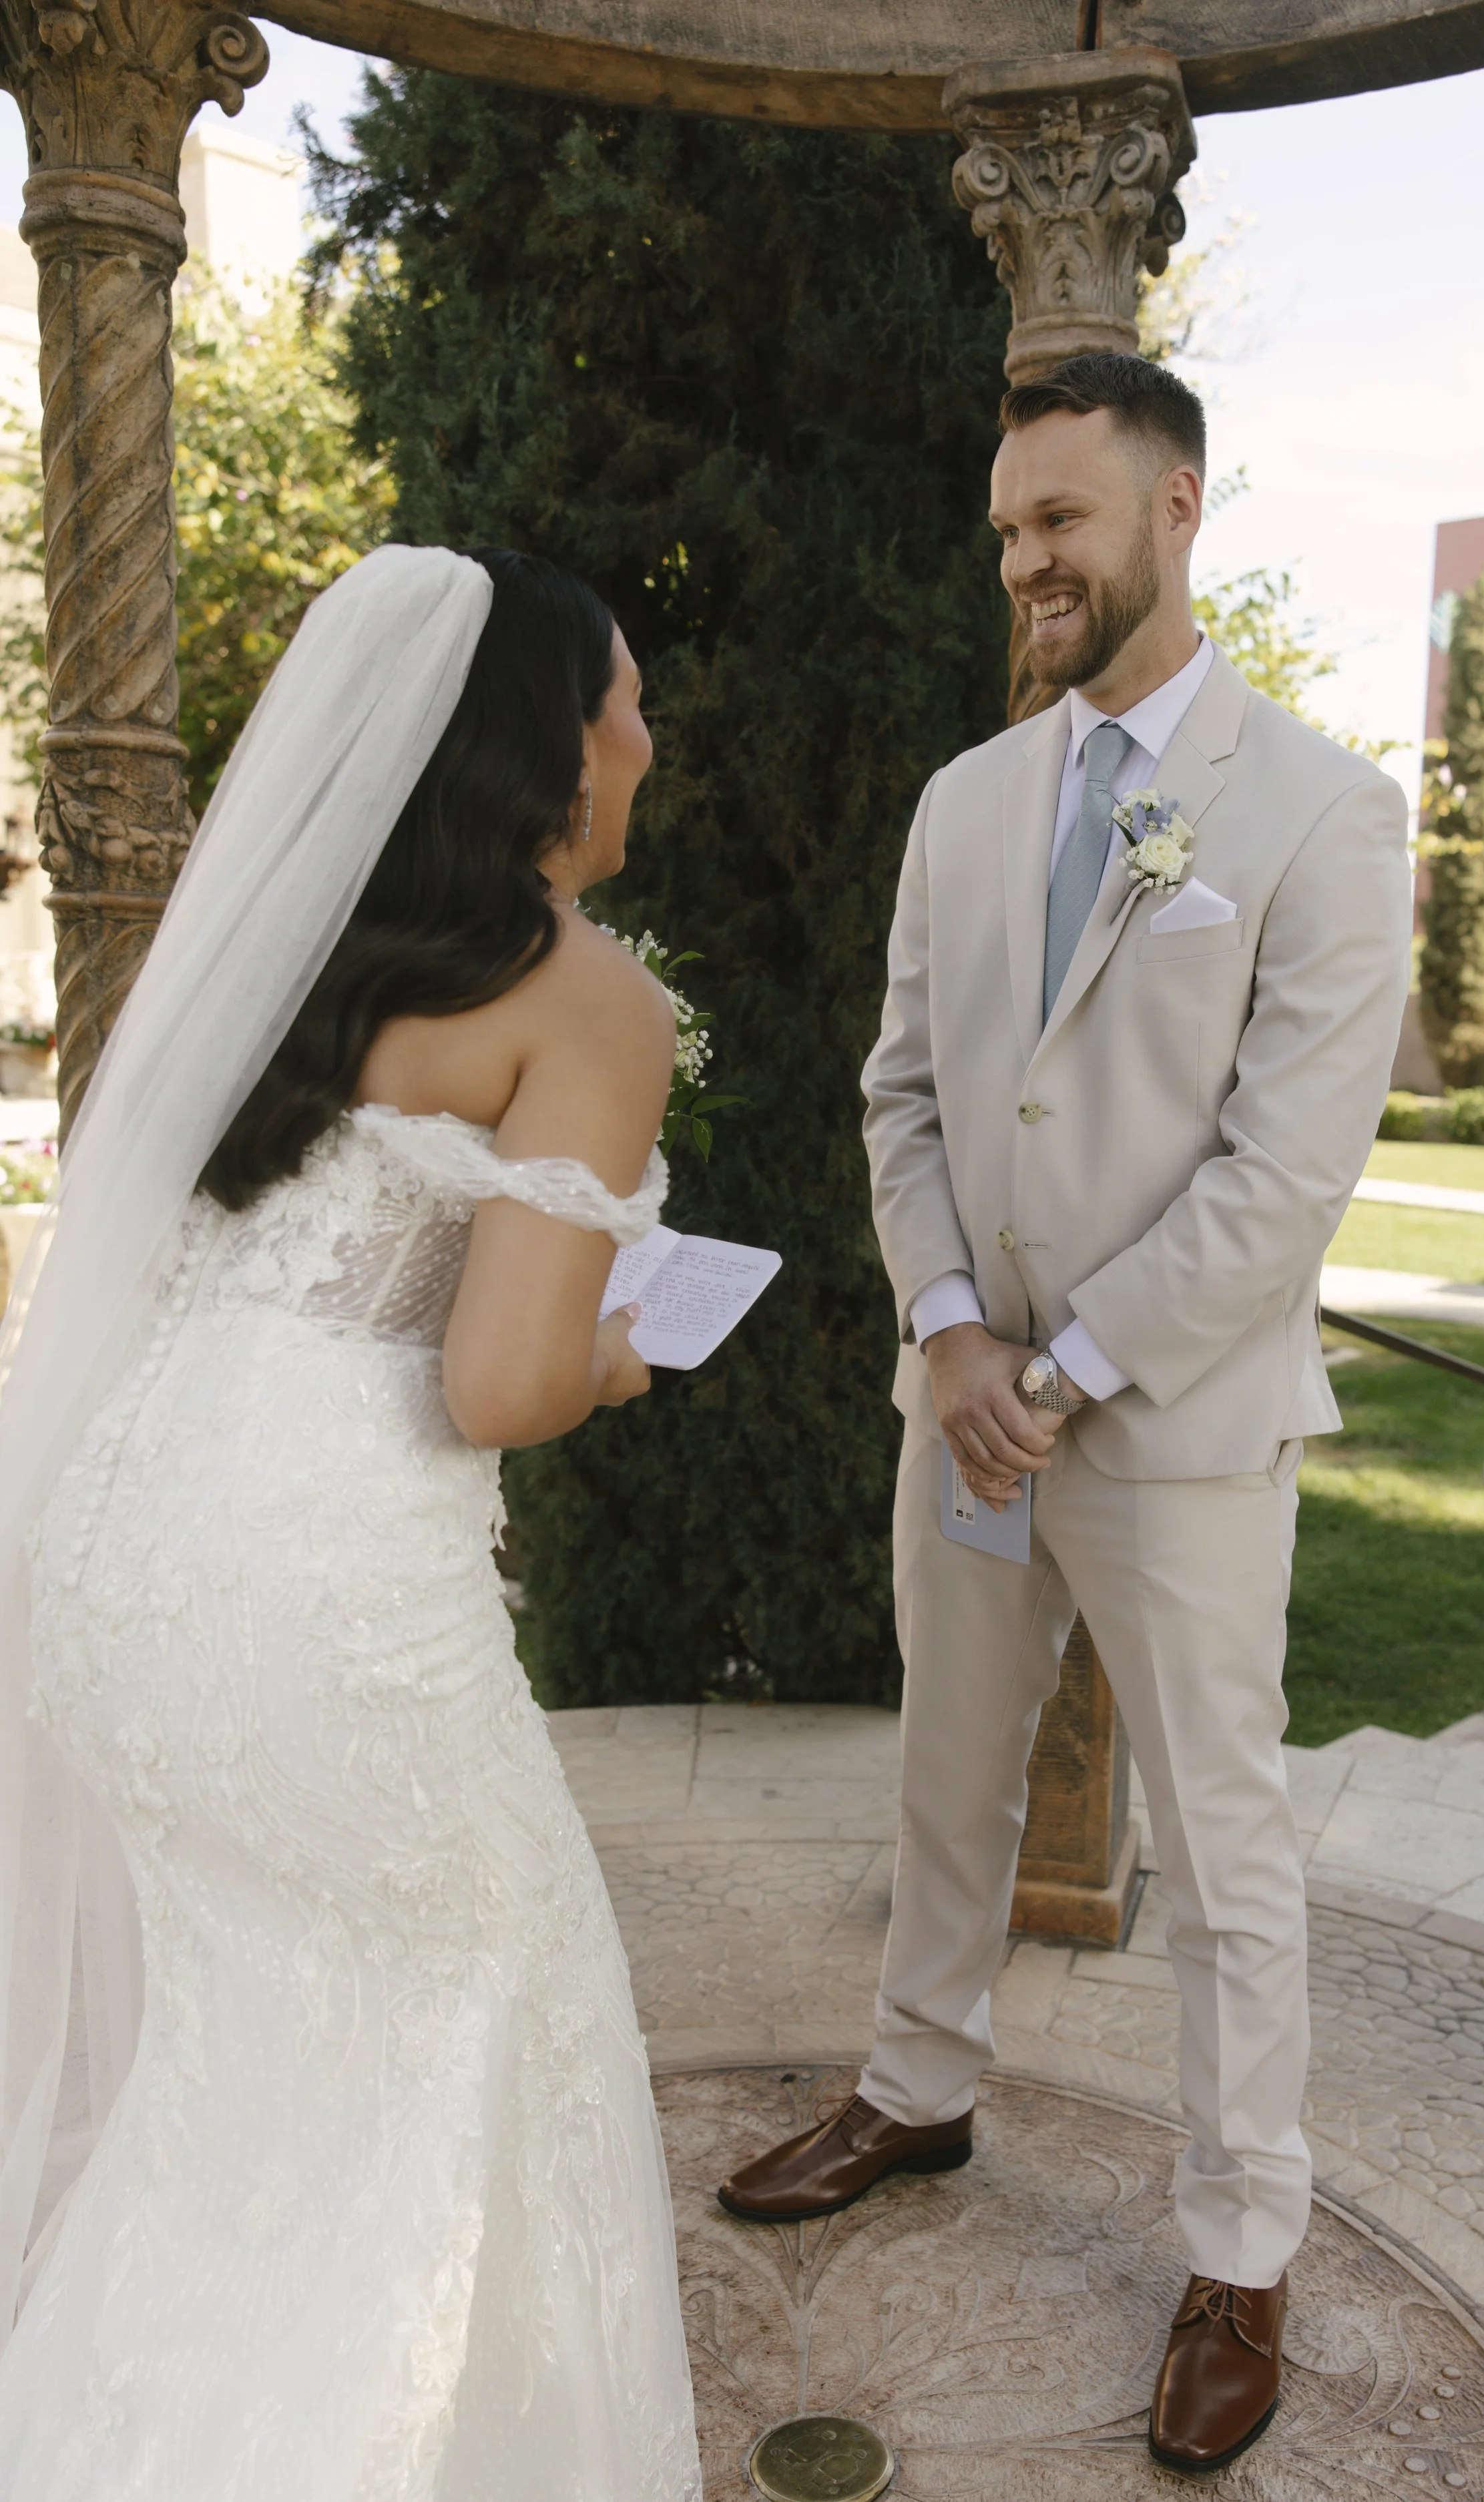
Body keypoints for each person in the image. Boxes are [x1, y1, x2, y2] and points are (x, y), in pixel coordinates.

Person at [717, 354, 1411, 2476]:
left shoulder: (1319, 809)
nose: (1025, 558)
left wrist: (1062, 1366)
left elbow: (1284, 1175)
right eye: (1009, 526)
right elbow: (905, 1092)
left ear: (1175, 508)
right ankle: (914, 2089)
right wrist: (946, 1331)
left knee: (1220, 1848)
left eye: (1062, 520)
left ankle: (1240, 2244)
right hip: (962, 1407)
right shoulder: (962, 801)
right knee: (945, 1775)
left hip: (1170, 1426)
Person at [0, 545, 702, 2499]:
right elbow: (499, 1384)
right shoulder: (589, 999)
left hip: (119, 1563)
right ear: (556, 746)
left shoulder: (301, 951)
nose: (652, 739)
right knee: (486, 2015)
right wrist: (613, 1358)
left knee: (241, 2069)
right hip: (320, 1597)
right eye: (632, 701)